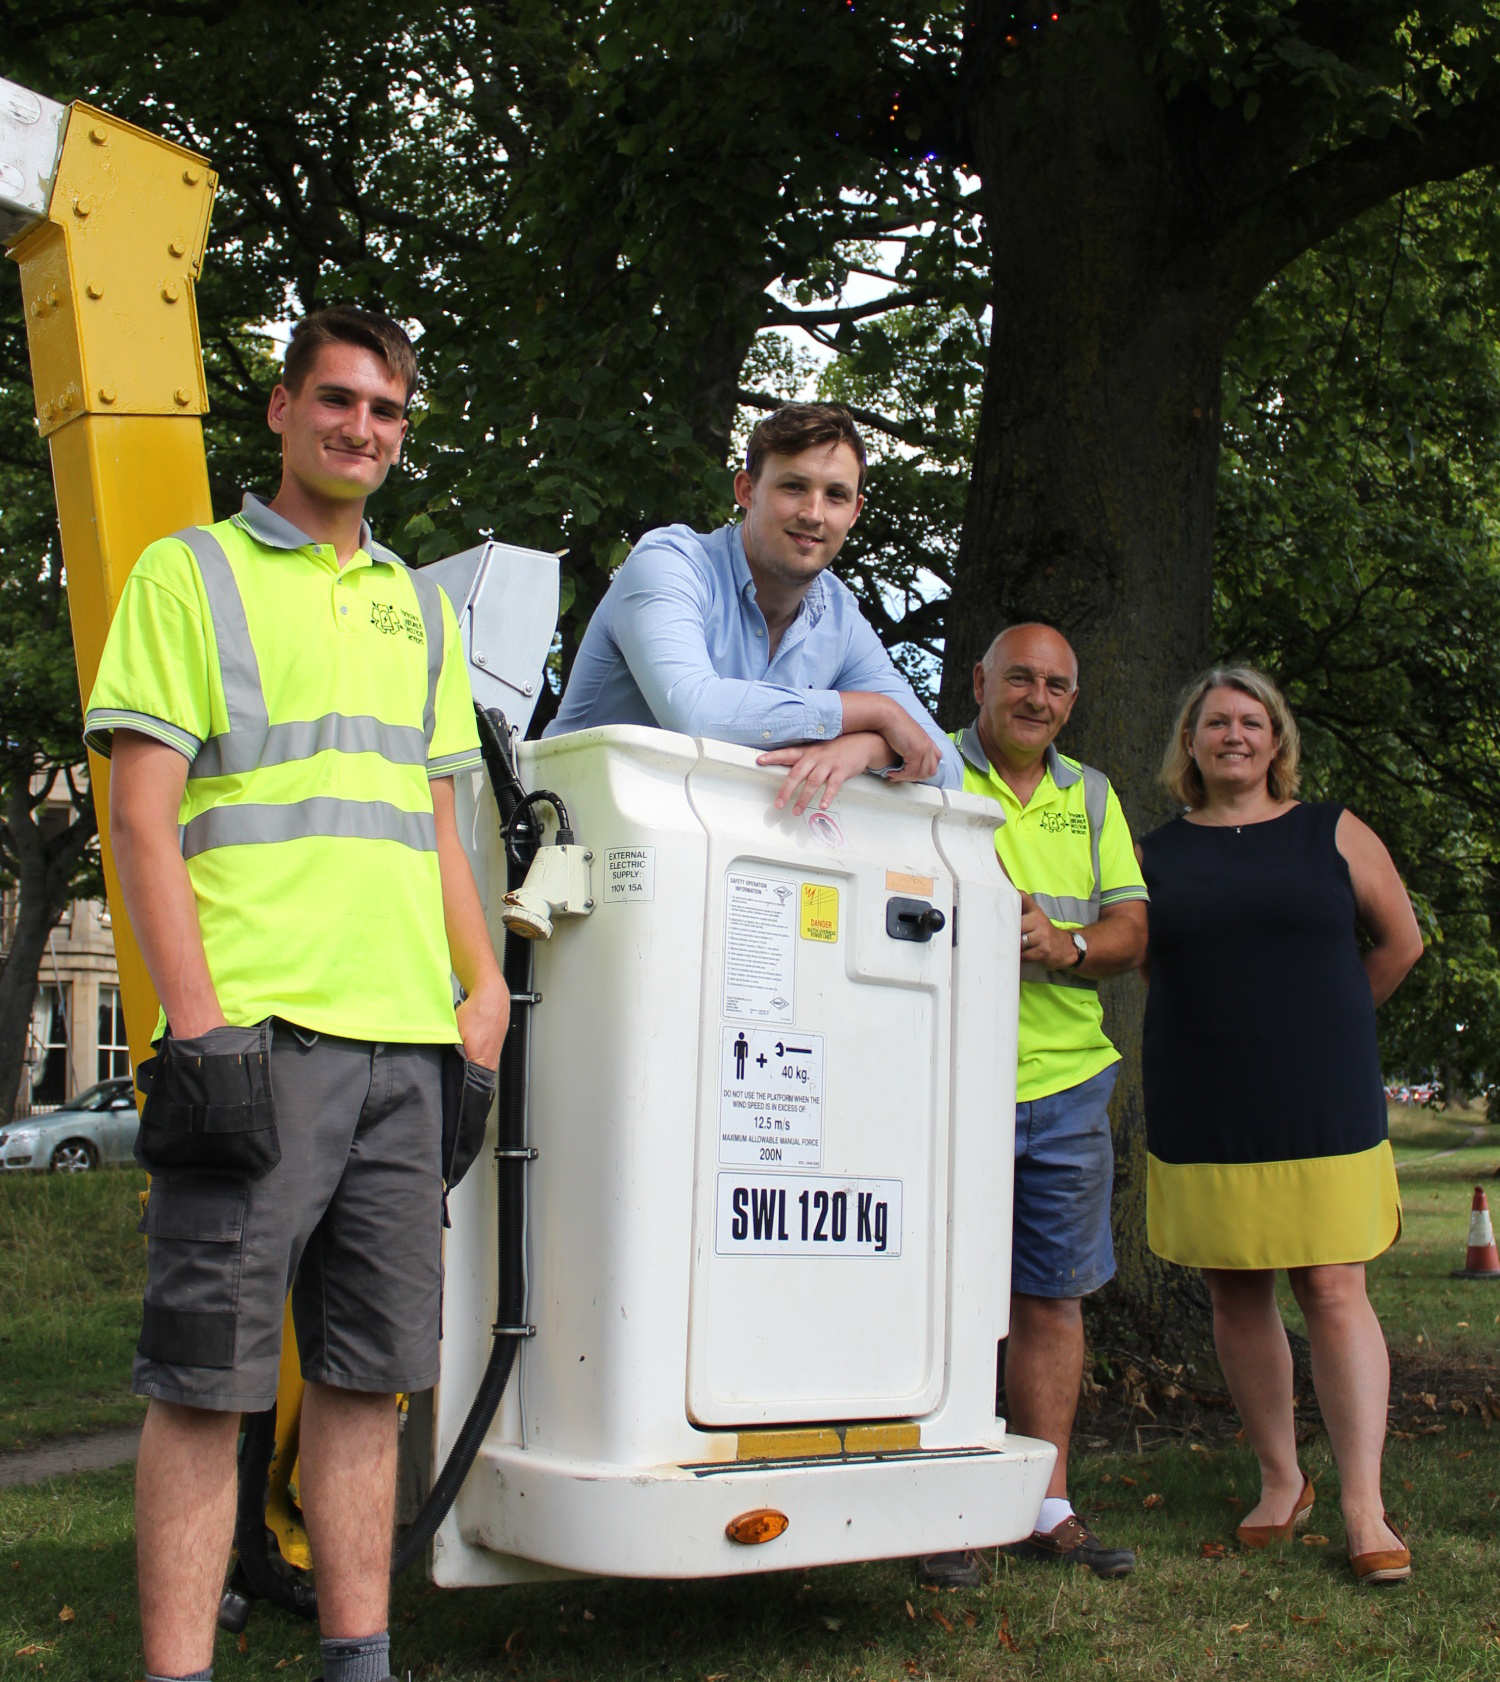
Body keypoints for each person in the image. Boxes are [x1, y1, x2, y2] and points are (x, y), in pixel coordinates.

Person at [84, 306, 510, 1682]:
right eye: (338, 400)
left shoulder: (421, 612)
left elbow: (438, 825)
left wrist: (485, 985)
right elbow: (141, 818)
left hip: (408, 1041)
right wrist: (197, 1022)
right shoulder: (187, 574)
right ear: (278, 408)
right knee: (204, 1383)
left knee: (365, 1379)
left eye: (387, 410)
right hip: (254, 1035)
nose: (362, 429)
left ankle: (357, 1656)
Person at [1139, 666, 1422, 1585]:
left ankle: (1362, 1505)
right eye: (1215, 722)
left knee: (1335, 1287)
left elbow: (1400, 942)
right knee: (1235, 1289)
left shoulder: (1331, 830)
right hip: (1207, 1093)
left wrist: (1333, 1020)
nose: (1233, 736)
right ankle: (1280, 1480)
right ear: (1190, 742)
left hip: (1324, 1092)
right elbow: (1149, 964)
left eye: (1251, 722)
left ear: (1277, 741)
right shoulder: (1155, 854)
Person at [923, 623, 1148, 1586]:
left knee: (1051, 1296)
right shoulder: (926, 769)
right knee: (944, 1296)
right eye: (1020, 678)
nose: (1037, 698)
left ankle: (1043, 1502)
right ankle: (945, 1506)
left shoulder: (1090, 795)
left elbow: (1133, 929)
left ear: (1072, 700)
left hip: (1064, 1083)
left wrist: (1067, 944)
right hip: (937, 1075)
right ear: (980, 682)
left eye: (1057, 685)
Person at [545, 402, 961, 809]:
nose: (814, 514)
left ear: (854, 512)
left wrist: (870, 748)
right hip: (571, 834)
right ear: (746, 490)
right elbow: (697, 715)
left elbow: (948, 767)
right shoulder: (670, 563)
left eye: (835, 495)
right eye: (794, 486)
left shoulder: (839, 615)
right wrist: (873, 711)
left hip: (708, 849)